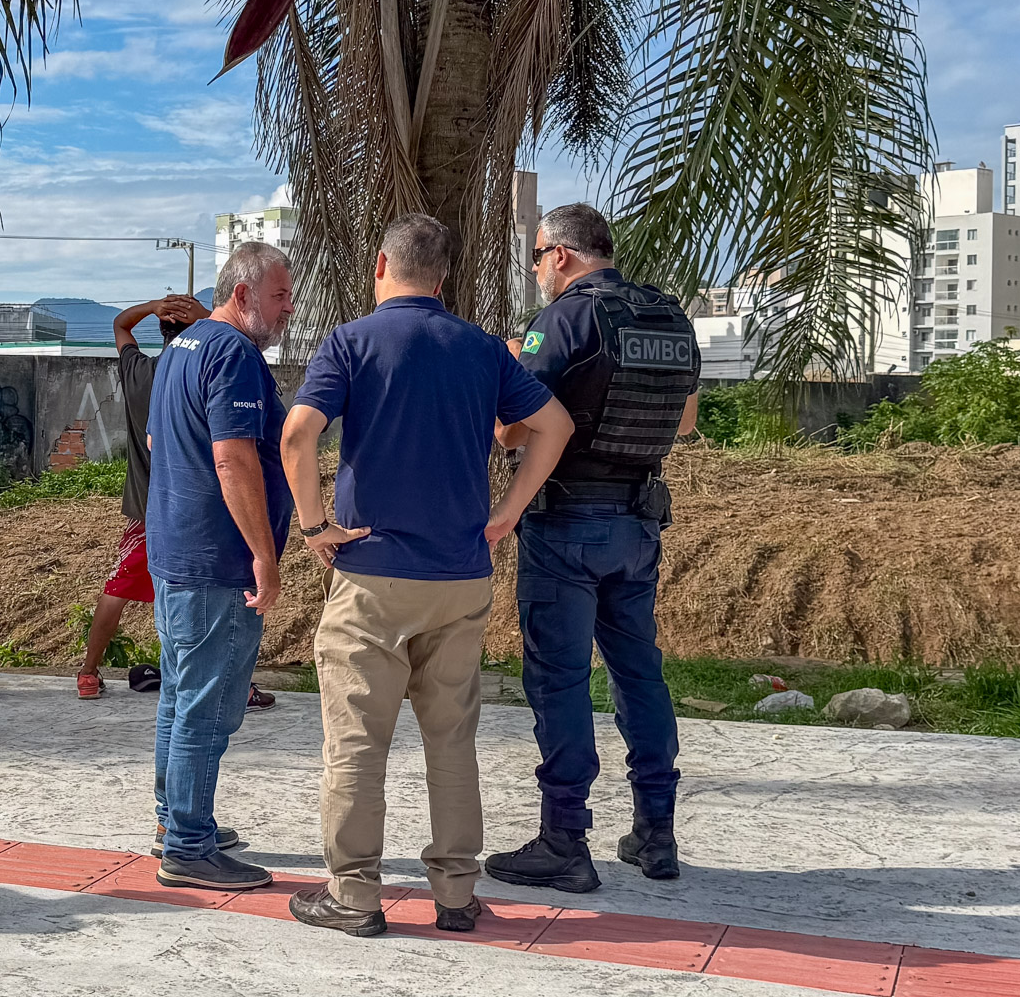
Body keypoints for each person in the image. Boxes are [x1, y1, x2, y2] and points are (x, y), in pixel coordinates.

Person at [279, 213, 575, 937]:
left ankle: (354, 896)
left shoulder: (351, 341)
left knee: (357, 743)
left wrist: (315, 526)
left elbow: (297, 433)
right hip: (460, 576)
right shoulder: (482, 347)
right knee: (451, 741)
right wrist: (506, 513)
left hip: (373, 576)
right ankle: (456, 894)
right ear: (444, 278)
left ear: (381, 266)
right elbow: (556, 427)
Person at [484, 203, 702, 894]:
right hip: (638, 523)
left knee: (560, 679)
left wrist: (511, 367)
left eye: (537, 258)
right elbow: (686, 421)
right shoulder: (668, 316)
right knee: (639, 674)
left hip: (566, 524)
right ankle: (656, 833)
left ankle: (564, 840)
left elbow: (512, 431)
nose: (537, 273)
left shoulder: (562, 320)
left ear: (561, 254)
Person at [142, 241, 295, 892]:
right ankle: (188, 846)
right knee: (206, 708)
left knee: (181, 696)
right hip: (215, 560)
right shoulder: (233, 353)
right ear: (242, 294)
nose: (289, 309)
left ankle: (173, 820)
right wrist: (263, 554)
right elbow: (233, 458)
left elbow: (158, 439)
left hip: (176, 551)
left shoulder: (183, 347)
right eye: (279, 296)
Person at [74, 294, 207, 699]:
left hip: (145, 507)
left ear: (163, 330)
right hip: (192, 508)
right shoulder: (199, 374)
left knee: (117, 588)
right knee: (209, 595)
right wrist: (205, 316)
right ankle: (217, 679)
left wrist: (152, 306)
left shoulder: (139, 372)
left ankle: (88, 672)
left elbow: (120, 324)